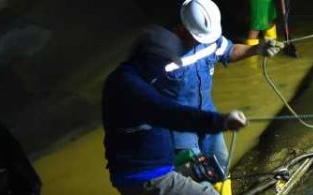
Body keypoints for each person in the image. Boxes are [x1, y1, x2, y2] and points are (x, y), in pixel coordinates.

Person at [102, 25, 248, 194]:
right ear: (149, 59)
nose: (165, 68)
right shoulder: (129, 87)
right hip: (146, 176)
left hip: (157, 168)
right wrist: (220, 122)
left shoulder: (138, 77)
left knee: (211, 175)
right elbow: (170, 114)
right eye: (164, 63)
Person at [166, 0, 277, 195]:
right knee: (195, 177)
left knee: (221, 164)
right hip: (179, 130)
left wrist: (256, 48)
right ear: (184, 27)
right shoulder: (162, 54)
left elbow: (230, 51)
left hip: (209, 117)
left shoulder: (210, 39)